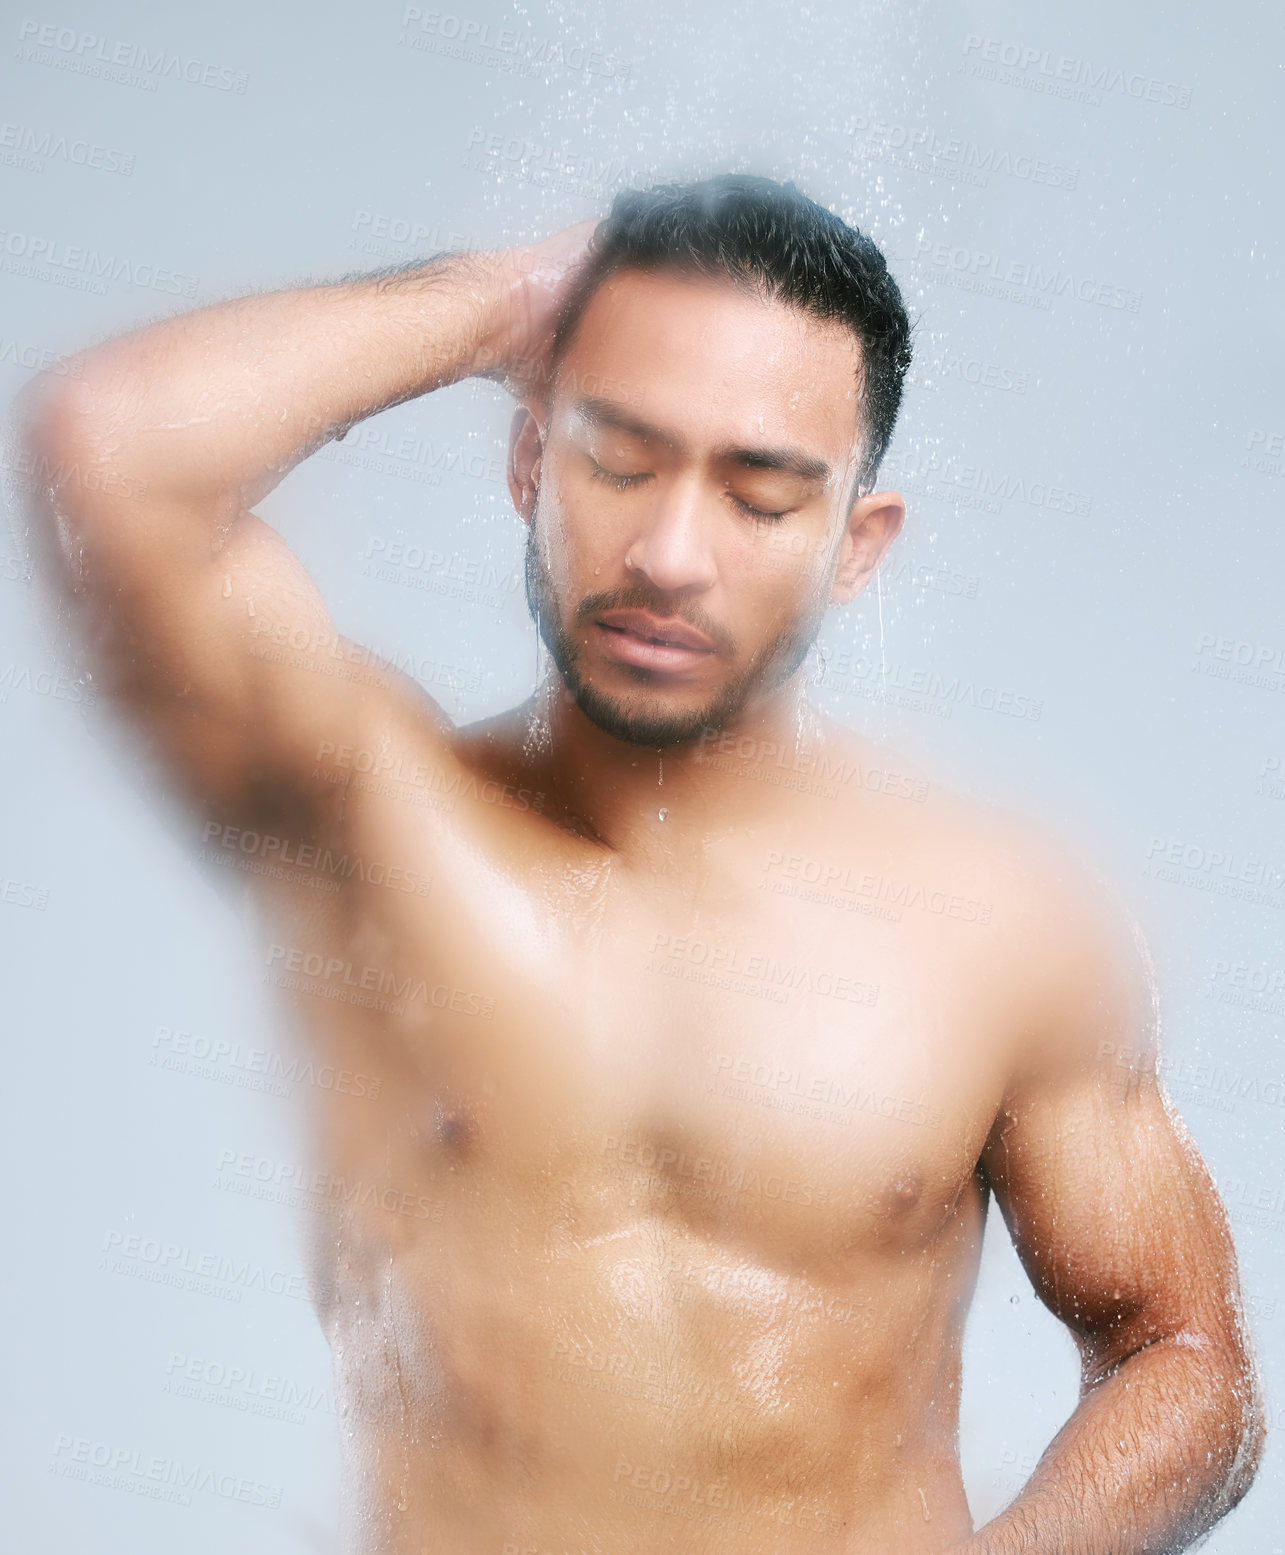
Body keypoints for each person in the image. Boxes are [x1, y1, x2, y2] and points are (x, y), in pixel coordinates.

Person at [20, 174, 1264, 1554]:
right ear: (524, 467)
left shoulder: (1003, 927)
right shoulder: (366, 819)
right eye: (616, 459)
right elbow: (111, 448)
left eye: (760, 495)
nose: (671, 554)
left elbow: (1184, 1362)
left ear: (856, 547)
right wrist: (513, 297)